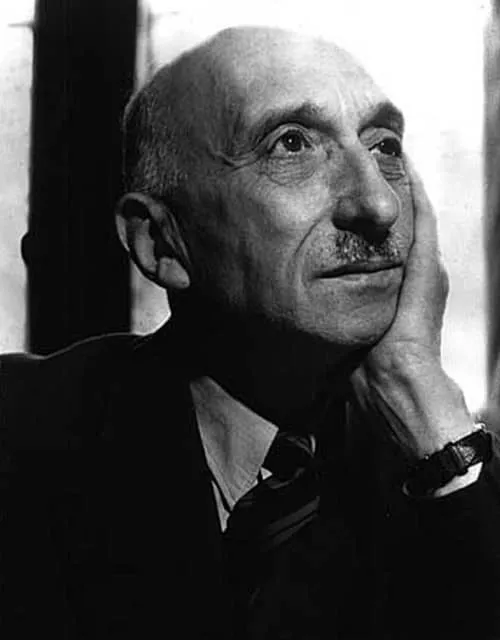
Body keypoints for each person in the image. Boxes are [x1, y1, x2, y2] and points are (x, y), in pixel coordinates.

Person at [1, 26, 500, 639]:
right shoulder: (20, 432)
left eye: (385, 147)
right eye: (291, 144)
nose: (378, 206)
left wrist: (422, 402)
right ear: (161, 243)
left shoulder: (456, 476)